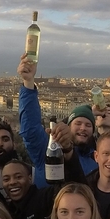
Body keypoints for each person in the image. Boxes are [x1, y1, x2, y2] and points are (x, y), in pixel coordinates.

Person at [18, 53, 98, 187]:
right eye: (78, 123)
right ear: (68, 126)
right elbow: (30, 130)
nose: (83, 128)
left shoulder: (98, 159)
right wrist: (28, 82)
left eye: (88, 125)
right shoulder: (47, 147)